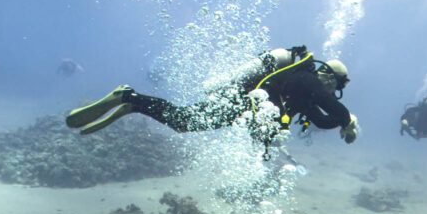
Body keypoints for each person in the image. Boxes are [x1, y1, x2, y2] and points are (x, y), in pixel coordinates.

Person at [65, 46, 358, 151]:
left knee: (183, 123)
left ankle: (131, 104)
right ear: (329, 77)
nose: (334, 91)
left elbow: (321, 119)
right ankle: (127, 96)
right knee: (184, 121)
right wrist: (349, 120)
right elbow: (333, 108)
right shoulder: (307, 78)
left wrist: (342, 123)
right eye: (338, 84)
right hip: (240, 99)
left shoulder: (305, 93)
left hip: (242, 105)